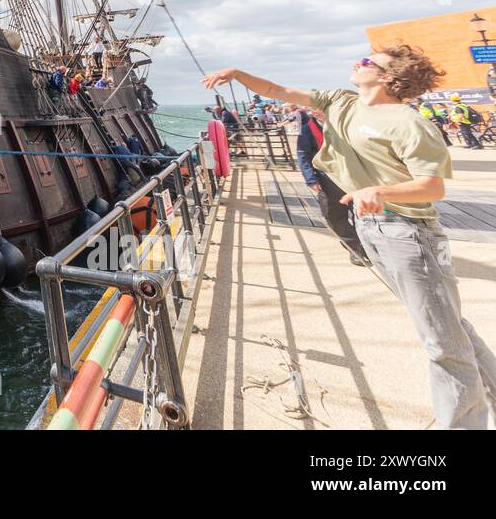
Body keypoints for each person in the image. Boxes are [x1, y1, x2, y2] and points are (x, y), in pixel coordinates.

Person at [203, 46, 496, 430]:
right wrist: (238, 73)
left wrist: (381, 192)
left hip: (409, 234)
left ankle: (462, 425)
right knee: (448, 326)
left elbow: (433, 187)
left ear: (391, 79)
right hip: (372, 229)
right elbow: (278, 90)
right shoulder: (341, 101)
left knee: (442, 342)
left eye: (370, 62)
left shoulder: (408, 123)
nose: (360, 63)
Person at [296, 106, 371, 266]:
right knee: (334, 215)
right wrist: (311, 178)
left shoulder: (347, 125)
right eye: (314, 109)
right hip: (327, 179)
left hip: (355, 176)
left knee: (362, 212)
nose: (317, 111)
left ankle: (370, 246)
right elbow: (303, 154)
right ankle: (354, 248)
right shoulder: (306, 130)